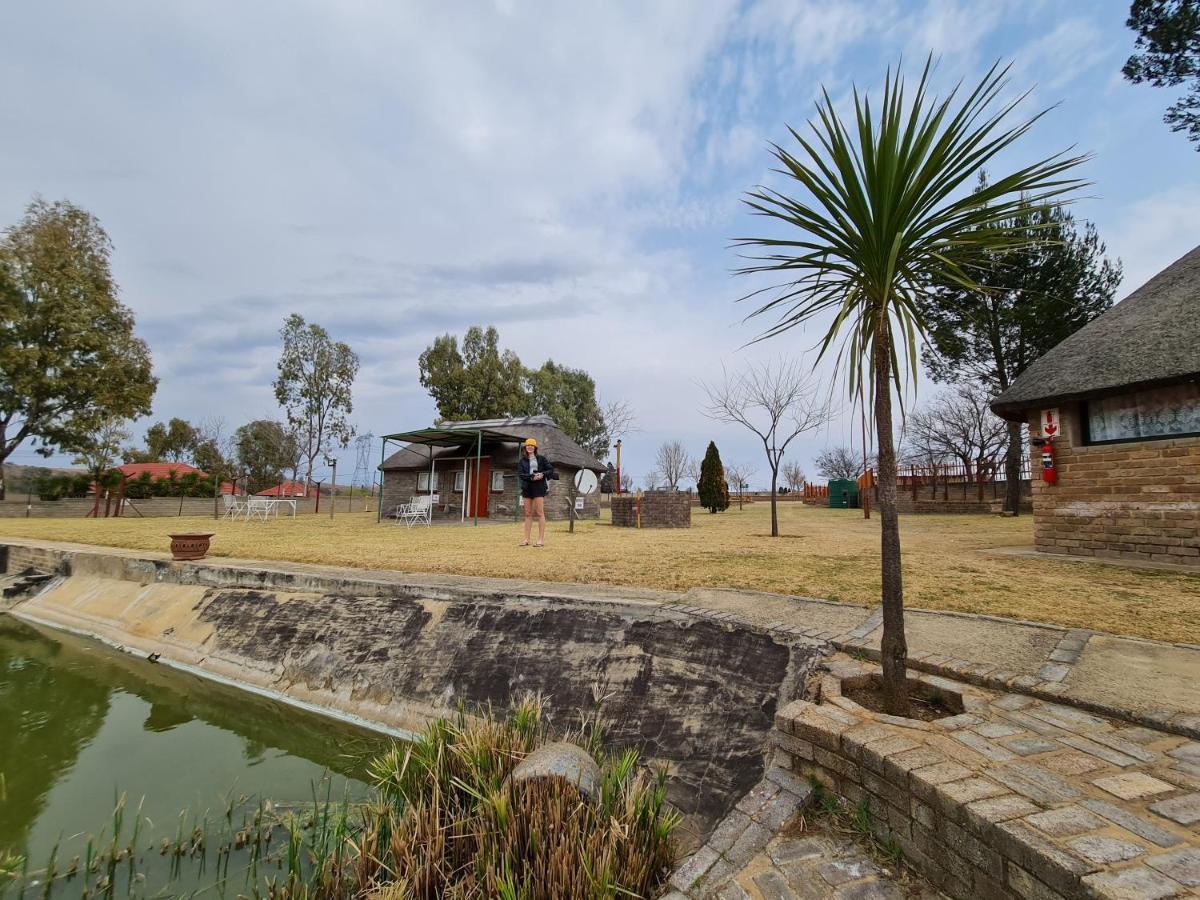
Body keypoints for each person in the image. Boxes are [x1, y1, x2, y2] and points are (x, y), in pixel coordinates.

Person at [517, 437, 556, 547]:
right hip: (527, 487)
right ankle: (526, 539)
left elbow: (551, 470)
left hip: (539, 487)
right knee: (528, 514)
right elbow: (521, 475)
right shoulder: (522, 461)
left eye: (532, 445)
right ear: (525, 447)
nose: (530, 447)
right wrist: (531, 478)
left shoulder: (541, 459)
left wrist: (542, 474)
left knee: (540, 513)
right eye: (528, 445)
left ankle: (540, 540)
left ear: (535, 447)